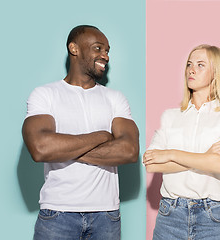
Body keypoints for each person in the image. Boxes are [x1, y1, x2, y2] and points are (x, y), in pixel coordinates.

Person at [22, 25, 139, 240]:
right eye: (98, 48)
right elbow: (40, 148)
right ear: (74, 48)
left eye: (107, 50)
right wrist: (102, 136)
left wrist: (63, 149)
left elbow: (129, 151)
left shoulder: (115, 98)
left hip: (106, 215)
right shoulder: (45, 94)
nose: (105, 55)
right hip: (57, 214)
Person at [143, 44, 220, 240]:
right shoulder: (170, 116)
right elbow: (152, 164)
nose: (191, 69)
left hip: (213, 217)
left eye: (200, 64)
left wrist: (170, 154)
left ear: (216, 72)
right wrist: (206, 156)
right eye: (189, 64)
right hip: (170, 215)